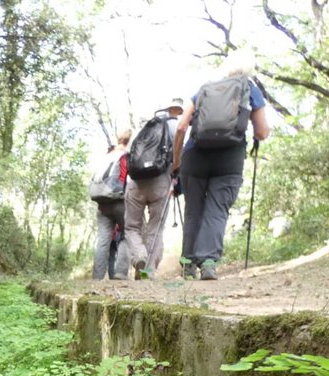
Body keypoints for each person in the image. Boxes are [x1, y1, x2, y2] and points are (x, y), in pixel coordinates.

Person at [171, 49, 270, 280]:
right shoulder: (250, 89)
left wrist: (176, 162)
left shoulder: (206, 88)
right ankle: (207, 262)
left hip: (195, 156)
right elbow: (262, 131)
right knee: (216, 210)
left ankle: (188, 265)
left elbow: (181, 127)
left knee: (193, 210)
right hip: (228, 158)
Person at [123, 98, 184, 279]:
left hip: (136, 181)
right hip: (161, 182)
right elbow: (181, 155)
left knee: (132, 227)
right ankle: (147, 271)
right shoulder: (176, 127)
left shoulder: (144, 129)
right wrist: (177, 177)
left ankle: (139, 255)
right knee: (155, 227)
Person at [91, 129, 131, 280]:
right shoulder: (125, 156)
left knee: (102, 239)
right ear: (129, 141)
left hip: (102, 202)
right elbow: (129, 179)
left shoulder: (108, 156)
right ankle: (120, 272)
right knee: (128, 235)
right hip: (119, 200)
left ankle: (97, 277)